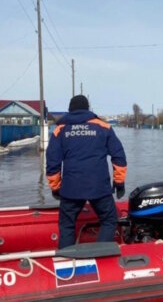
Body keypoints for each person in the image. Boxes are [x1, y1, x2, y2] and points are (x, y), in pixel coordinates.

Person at [46, 95, 127, 249]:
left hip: (71, 189)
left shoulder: (60, 130)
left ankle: (66, 261)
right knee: (109, 220)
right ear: (87, 109)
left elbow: (52, 163)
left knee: (67, 225)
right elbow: (119, 156)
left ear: (70, 110)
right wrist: (119, 181)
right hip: (99, 187)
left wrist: (56, 187)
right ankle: (100, 257)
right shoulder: (104, 127)